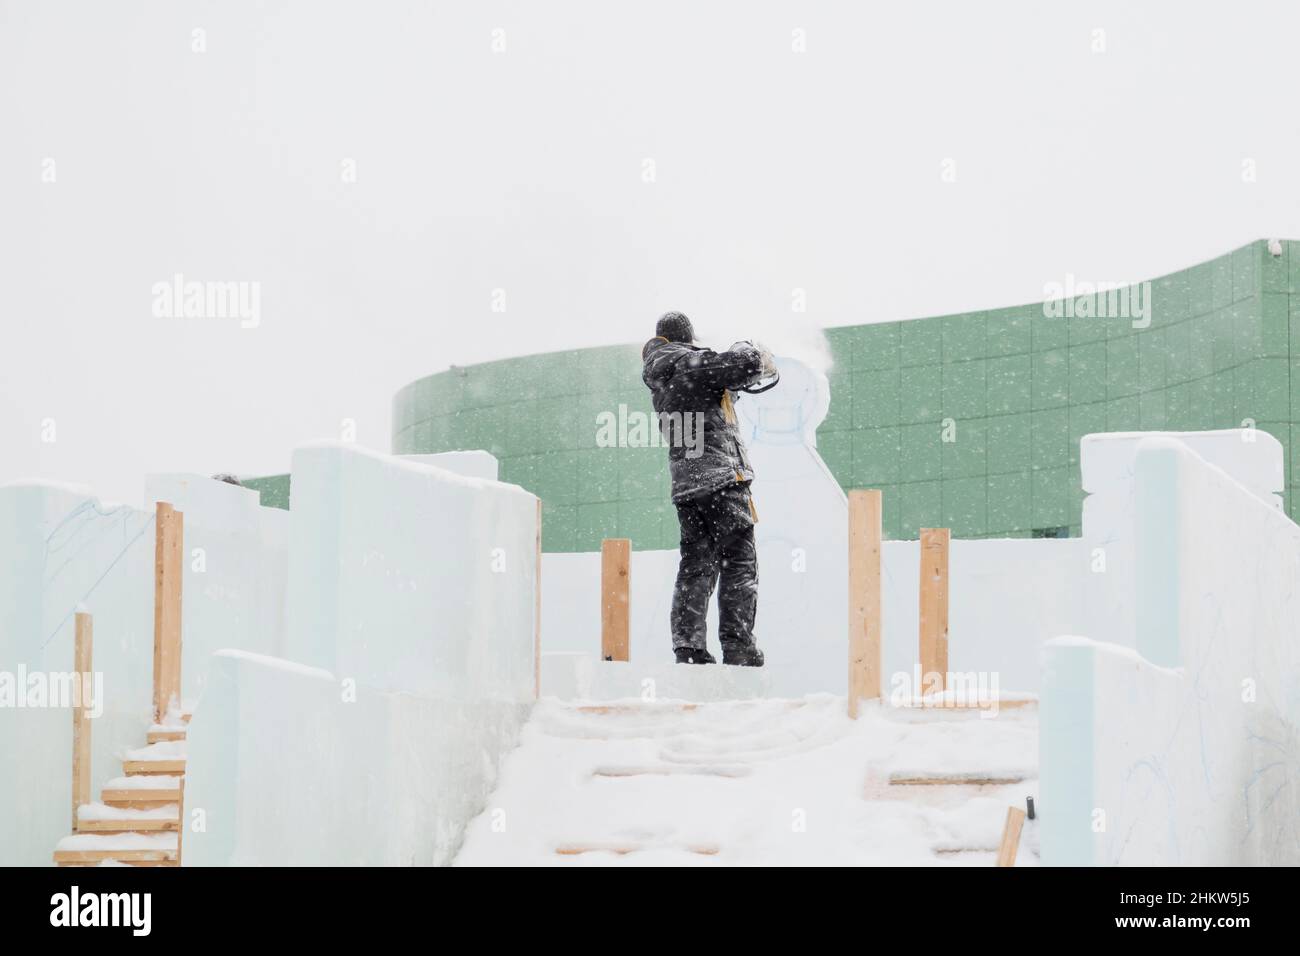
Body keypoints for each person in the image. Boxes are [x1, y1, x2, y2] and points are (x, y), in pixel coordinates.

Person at [641, 311, 776, 666]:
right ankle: (739, 646)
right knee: (739, 561)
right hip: (720, 479)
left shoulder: (663, 373)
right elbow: (743, 363)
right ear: (686, 338)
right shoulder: (689, 362)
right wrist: (750, 347)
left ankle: (689, 647)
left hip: (687, 487)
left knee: (696, 564)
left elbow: (712, 388)